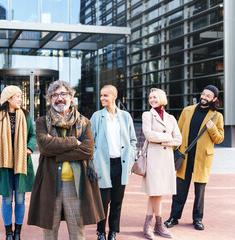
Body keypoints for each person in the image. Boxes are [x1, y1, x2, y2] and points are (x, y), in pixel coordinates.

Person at [28, 80, 104, 240]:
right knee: (49, 232)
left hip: (76, 185)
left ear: (71, 96)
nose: (59, 98)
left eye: (63, 94)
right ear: (50, 99)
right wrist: (74, 142)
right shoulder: (42, 122)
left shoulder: (84, 122)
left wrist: (55, 151)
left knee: (77, 233)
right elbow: (44, 147)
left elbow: (88, 150)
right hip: (50, 184)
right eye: (54, 95)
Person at [164, 85, 224, 231]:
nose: (204, 97)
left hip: (202, 159)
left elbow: (220, 139)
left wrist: (212, 128)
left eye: (208, 96)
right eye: (203, 94)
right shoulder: (187, 111)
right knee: (179, 190)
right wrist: (172, 152)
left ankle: (198, 219)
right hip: (185, 157)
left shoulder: (217, 116)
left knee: (200, 192)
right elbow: (177, 133)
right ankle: (174, 217)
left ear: (214, 99)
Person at [0, 86, 36, 240]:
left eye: (21, 96)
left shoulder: (25, 116)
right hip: (4, 165)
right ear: (8, 99)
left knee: (21, 199)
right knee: (7, 199)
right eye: (18, 96)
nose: (20, 99)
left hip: (21, 163)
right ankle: (8, 232)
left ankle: (18, 233)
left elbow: (32, 136)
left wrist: (29, 147)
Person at [90, 85, 137, 240]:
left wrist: (130, 158)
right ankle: (101, 231)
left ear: (114, 96)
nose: (102, 98)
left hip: (120, 165)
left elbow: (132, 140)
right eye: (101, 95)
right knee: (103, 201)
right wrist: (94, 159)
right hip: (103, 164)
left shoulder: (125, 117)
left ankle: (113, 231)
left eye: (105, 95)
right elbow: (90, 141)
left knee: (117, 201)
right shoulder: (97, 116)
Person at [141, 88, 182, 239]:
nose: (152, 100)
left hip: (166, 159)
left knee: (159, 193)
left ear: (162, 98)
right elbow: (149, 135)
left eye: (155, 97)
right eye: (150, 97)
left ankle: (155, 226)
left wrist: (165, 138)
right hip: (154, 158)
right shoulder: (147, 115)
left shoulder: (171, 118)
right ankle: (151, 226)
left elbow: (179, 139)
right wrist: (167, 136)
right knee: (154, 192)